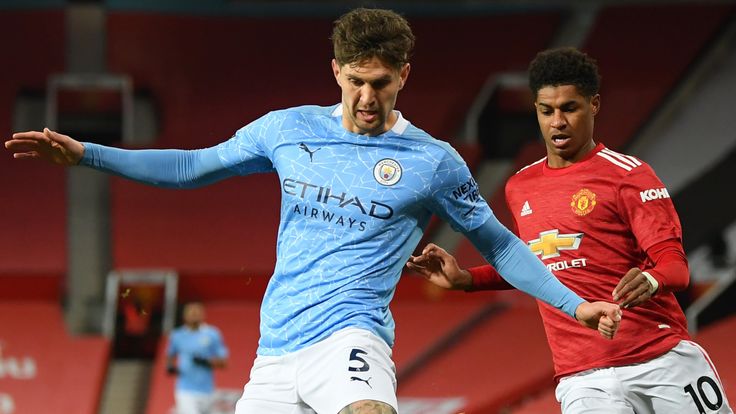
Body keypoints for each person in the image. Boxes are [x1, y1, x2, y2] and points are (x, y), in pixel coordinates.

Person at [5, 10, 621, 414]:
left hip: (350, 335)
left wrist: (574, 303)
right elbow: (192, 166)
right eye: (355, 80)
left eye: (380, 82)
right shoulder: (287, 130)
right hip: (275, 349)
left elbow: (503, 246)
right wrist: (88, 155)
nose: (366, 96)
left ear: (404, 75)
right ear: (335, 70)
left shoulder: (433, 162)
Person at [407, 47, 732, 413]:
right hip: (583, 376)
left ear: (593, 104)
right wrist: (467, 279)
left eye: (569, 108)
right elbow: (536, 266)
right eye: (547, 111)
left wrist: (654, 279)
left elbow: (675, 265)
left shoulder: (629, 175)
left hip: (662, 359)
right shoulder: (520, 186)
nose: (557, 121)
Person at [166, 302, 229, 414]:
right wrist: (170, 367)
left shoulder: (212, 334)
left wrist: (206, 362)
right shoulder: (177, 335)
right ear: (184, 316)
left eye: (197, 312)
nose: (194, 315)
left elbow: (224, 362)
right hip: (185, 390)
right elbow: (170, 355)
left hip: (207, 390)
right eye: (191, 312)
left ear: (202, 315)